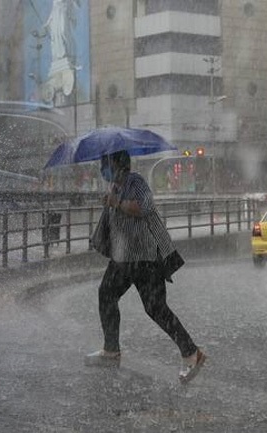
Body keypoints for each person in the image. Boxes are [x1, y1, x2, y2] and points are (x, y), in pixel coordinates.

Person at [86, 150, 206, 384]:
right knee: (106, 295)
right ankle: (111, 350)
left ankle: (192, 353)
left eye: (105, 164)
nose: (102, 170)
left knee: (156, 308)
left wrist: (117, 203)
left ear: (118, 165)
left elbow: (145, 207)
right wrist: (112, 202)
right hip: (123, 259)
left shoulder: (136, 181)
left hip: (145, 258)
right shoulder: (116, 187)